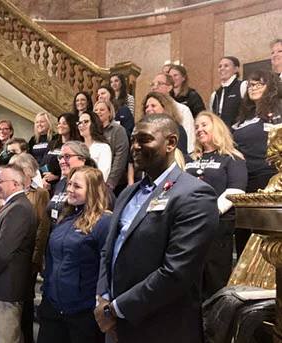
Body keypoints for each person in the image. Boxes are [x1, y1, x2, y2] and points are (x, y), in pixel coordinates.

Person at [95, 114, 218, 342]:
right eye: (133, 140)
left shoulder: (194, 194)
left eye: (144, 139)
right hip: (115, 324)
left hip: (161, 327)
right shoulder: (126, 194)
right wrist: (102, 299)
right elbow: (108, 251)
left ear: (170, 143)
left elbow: (175, 273)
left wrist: (116, 309)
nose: (135, 147)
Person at [37, 166, 111, 343]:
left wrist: (99, 303)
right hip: (53, 308)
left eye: (76, 186)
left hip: (82, 312)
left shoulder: (104, 222)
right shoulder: (65, 218)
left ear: (92, 190)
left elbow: (107, 267)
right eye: (69, 184)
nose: (69, 189)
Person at [185, 112, 247, 300]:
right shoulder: (189, 159)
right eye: (196, 127)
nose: (199, 130)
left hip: (217, 225)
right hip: (188, 225)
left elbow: (236, 190)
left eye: (204, 125)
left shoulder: (232, 158)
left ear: (217, 128)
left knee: (214, 280)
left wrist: (211, 212)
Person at [0, 164, 37, 343]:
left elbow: (3, 252)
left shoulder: (18, 208)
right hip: (3, 286)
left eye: (0, 181)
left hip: (7, 288)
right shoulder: (12, 205)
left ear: (16, 184)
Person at [232, 70, 282, 256]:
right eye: (251, 85)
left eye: (259, 84)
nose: (254, 88)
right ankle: (246, 274)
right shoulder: (244, 113)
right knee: (243, 229)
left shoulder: (278, 108)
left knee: (265, 229)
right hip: (243, 177)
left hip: (268, 177)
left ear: (270, 86)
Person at [10, 153, 50, 343]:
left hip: (28, 259)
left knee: (25, 304)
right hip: (11, 257)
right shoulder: (12, 191)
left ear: (25, 172)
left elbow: (42, 227)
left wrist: (35, 259)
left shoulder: (40, 194)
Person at [46, 141, 116, 227]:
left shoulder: (97, 186)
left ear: (83, 159)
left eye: (67, 156)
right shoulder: (60, 184)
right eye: (60, 157)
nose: (62, 161)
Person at [93, 99, 129, 194]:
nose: (98, 112)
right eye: (96, 110)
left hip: (114, 184)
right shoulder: (92, 132)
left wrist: (111, 181)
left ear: (109, 112)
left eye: (102, 110)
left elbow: (120, 156)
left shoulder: (118, 130)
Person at [151, 72, 195, 148]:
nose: (155, 87)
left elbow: (190, 140)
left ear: (169, 87)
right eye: (152, 84)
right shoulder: (149, 110)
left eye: (159, 83)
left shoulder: (182, 110)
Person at [41, 113, 81, 191]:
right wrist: (44, 179)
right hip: (46, 183)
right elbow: (43, 163)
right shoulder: (52, 144)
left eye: (64, 123)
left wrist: (56, 177)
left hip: (63, 183)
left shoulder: (76, 145)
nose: (60, 126)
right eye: (59, 123)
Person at [209, 56, 247, 128]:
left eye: (226, 66)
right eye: (220, 66)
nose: (222, 69)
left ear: (235, 69)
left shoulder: (243, 86)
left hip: (239, 133)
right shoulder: (215, 95)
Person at [77, 111, 112, 182]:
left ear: (94, 124)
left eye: (85, 121)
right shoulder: (77, 148)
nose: (81, 125)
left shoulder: (103, 148)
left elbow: (102, 175)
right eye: (79, 123)